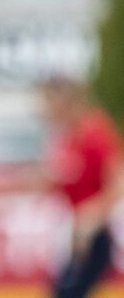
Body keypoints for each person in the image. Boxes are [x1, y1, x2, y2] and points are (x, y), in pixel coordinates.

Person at [40, 77, 124, 298]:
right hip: (77, 230)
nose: (45, 110)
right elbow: (57, 179)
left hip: (101, 228)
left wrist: (91, 217)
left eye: (49, 102)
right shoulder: (63, 137)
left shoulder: (94, 131)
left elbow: (118, 183)